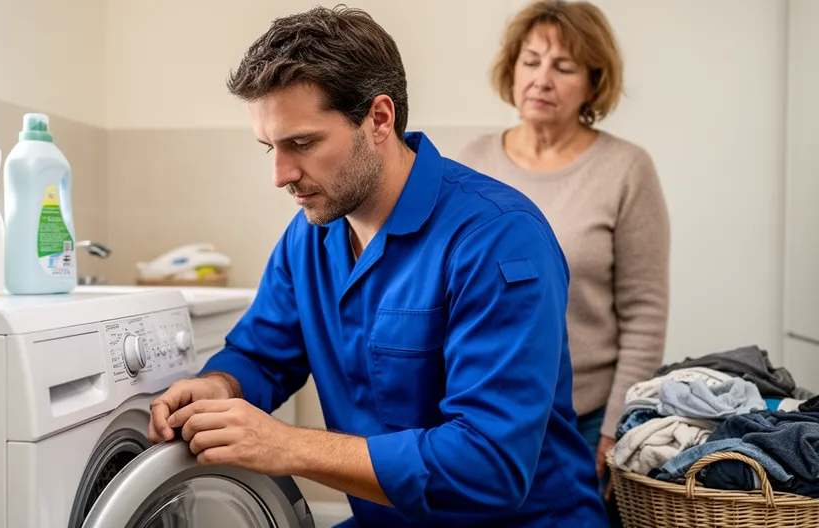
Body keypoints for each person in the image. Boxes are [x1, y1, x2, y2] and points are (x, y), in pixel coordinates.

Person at [148, 6, 607, 527]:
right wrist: (221, 386)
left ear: (379, 119)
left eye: (302, 143)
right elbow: (262, 356)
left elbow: (489, 468)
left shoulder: (498, 239)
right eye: (269, 148)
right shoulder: (310, 237)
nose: (280, 175)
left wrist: (288, 446)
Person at [456, 0, 671, 520]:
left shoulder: (626, 169)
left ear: (594, 82)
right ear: (512, 70)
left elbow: (644, 314)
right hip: (486, 410)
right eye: (531, 62)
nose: (541, 80)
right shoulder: (470, 162)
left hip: (584, 417)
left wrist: (614, 430)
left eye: (564, 67)